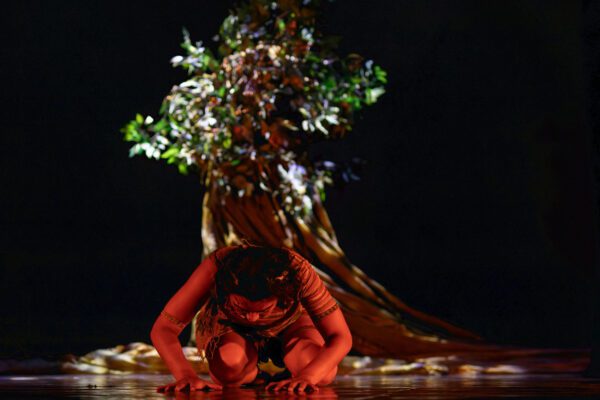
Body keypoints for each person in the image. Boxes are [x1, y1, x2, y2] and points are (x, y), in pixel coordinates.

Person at [150, 241, 352, 393]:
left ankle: (288, 371)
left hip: (293, 325)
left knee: (322, 373)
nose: (253, 318)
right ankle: (257, 374)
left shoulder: (298, 272)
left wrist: (308, 376)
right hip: (232, 327)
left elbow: (340, 336)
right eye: (242, 308)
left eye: (263, 310)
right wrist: (185, 376)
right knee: (229, 367)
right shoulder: (216, 267)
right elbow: (163, 328)